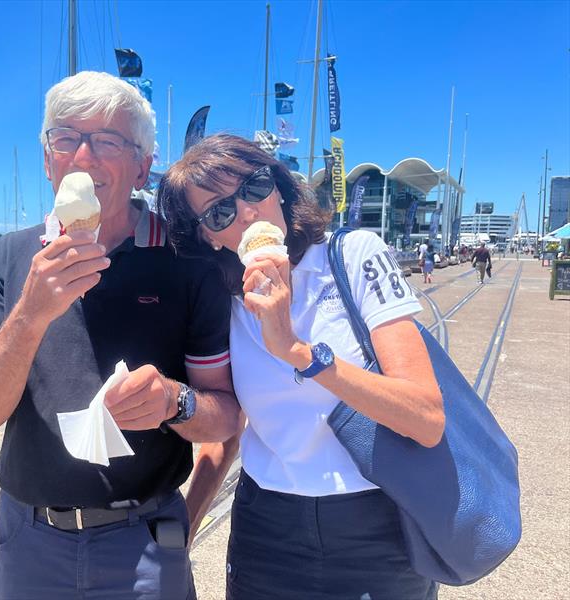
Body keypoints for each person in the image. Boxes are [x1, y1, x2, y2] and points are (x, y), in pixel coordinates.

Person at [0, 71, 241, 600]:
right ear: (47, 159)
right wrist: (32, 314)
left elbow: (225, 419)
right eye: (65, 138)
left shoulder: (187, 265)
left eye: (107, 141)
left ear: (142, 167)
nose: (82, 157)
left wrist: (174, 402)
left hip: (147, 541)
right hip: (28, 541)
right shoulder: (10, 259)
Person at [158, 134, 444, 600]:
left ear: (278, 187)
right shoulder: (222, 300)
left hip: (376, 526)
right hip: (267, 531)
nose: (247, 212)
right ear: (208, 237)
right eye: (219, 212)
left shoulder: (353, 257)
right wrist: (186, 524)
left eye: (253, 188)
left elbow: (427, 419)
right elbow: (229, 428)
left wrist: (296, 350)